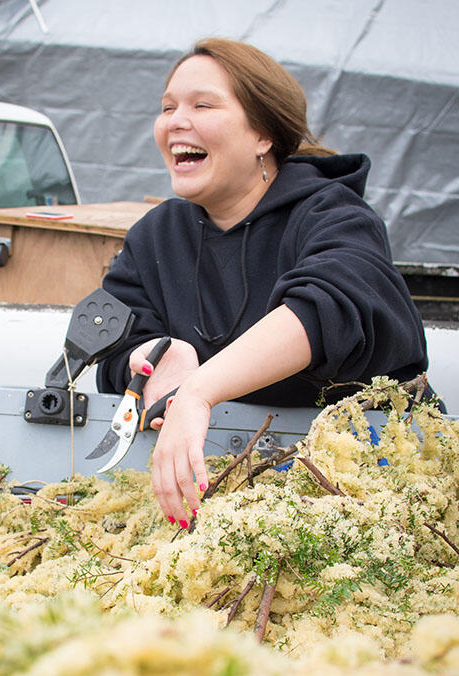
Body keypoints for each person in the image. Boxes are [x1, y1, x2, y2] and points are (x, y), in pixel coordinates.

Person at [96, 37, 431, 529]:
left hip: (367, 484)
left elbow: (332, 308)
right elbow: (113, 332)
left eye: (202, 104)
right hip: (225, 485)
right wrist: (159, 356)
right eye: (167, 107)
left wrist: (198, 392)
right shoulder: (157, 234)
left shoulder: (333, 213)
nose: (175, 121)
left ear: (263, 135)